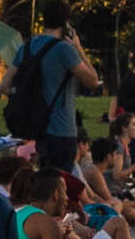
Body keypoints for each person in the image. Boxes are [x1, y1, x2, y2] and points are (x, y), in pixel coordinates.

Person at [8, 16, 99, 176]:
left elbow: (5, 85)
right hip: (62, 128)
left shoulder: (26, 47)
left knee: (47, 180)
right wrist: (78, 48)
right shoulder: (64, 48)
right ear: (65, 27)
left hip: (39, 128)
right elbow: (93, 81)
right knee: (61, 182)